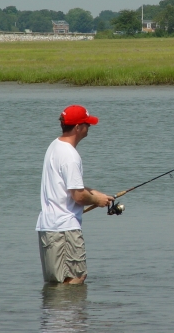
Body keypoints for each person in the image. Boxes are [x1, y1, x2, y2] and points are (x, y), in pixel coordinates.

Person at [36, 105, 114, 285]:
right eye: (87, 124)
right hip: (64, 229)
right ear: (78, 127)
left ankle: (58, 313)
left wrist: (95, 193)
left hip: (48, 228)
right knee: (75, 278)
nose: (89, 128)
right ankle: (72, 313)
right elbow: (78, 196)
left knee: (58, 282)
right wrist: (97, 200)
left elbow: (68, 186)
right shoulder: (70, 155)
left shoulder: (55, 146)